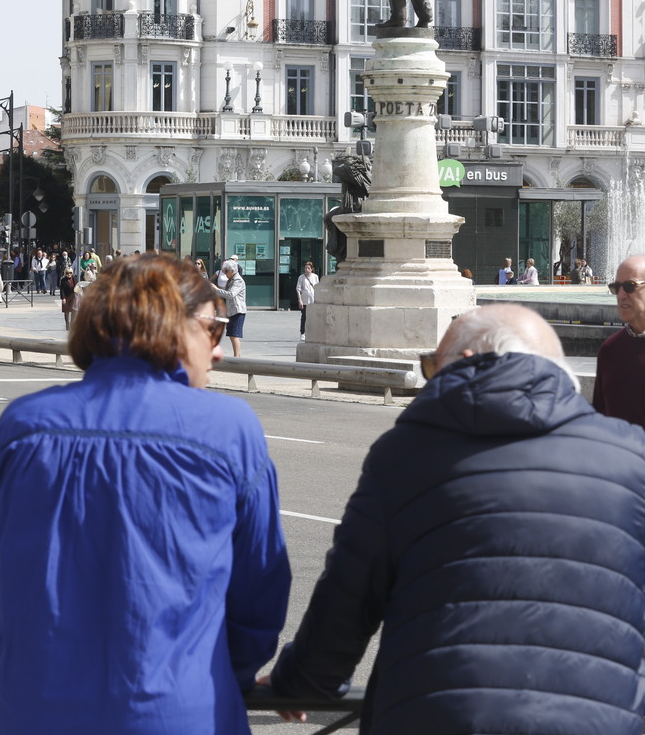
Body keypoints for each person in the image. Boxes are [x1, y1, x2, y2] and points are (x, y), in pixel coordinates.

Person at [267, 303, 645, 735]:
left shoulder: (405, 453)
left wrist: (304, 680)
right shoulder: (632, 455)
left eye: (431, 364)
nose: (430, 376)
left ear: (468, 362)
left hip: (437, 716)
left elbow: (349, 595)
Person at [0, 254, 290, 734]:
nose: (218, 349)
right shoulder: (229, 429)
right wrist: (222, 676)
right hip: (180, 710)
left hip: (31, 708)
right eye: (213, 328)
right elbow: (258, 600)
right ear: (172, 326)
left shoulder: (20, 427)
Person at [593, 254, 645, 427]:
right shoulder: (610, 350)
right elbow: (600, 415)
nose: (621, 295)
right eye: (616, 287)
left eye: (630, 286)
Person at [213, 259, 247, 357]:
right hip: (231, 311)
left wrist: (217, 289)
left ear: (232, 270)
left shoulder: (238, 280)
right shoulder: (231, 280)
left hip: (238, 311)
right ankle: (237, 356)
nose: (225, 274)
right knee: (232, 334)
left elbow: (230, 294)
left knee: (234, 335)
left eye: (226, 271)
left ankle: (237, 357)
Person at [295, 261, 319, 341]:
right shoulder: (301, 277)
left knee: (313, 317)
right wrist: (300, 300)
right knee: (304, 316)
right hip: (305, 299)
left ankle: (313, 332)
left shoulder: (315, 277)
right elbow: (298, 289)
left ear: (312, 269)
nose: (307, 269)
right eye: (305, 268)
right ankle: (303, 332)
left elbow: (317, 287)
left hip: (313, 299)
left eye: (308, 268)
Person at [57, 266, 79, 330]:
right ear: (65, 273)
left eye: (70, 273)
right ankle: (67, 324)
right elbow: (62, 290)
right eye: (67, 273)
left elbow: (78, 287)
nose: (69, 274)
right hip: (66, 297)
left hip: (73, 297)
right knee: (66, 312)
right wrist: (63, 298)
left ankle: (72, 324)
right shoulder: (63, 280)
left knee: (74, 311)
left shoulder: (75, 279)